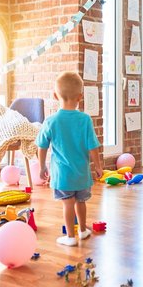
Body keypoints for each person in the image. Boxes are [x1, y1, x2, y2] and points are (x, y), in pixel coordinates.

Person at [36, 72, 103, 246]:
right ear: (80, 97)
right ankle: (82, 230)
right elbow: (93, 147)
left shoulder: (51, 121)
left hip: (62, 175)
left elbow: (42, 146)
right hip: (81, 174)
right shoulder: (85, 120)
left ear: (54, 95)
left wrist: (42, 166)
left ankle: (70, 237)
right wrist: (98, 166)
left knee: (68, 203)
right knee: (81, 202)